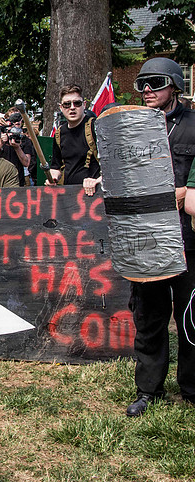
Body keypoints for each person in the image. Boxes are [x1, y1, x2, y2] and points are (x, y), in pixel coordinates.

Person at [130, 58, 195, 416]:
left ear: (174, 85)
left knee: (190, 314)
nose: (147, 90)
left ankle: (192, 387)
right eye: (142, 84)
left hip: (188, 238)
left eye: (155, 82)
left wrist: (185, 191)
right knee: (150, 315)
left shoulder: (194, 126)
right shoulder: (133, 127)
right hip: (146, 238)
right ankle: (148, 389)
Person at [48, 84, 102, 195]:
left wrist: (97, 180)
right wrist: (53, 177)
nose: (72, 107)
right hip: (70, 195)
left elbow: (113, 164)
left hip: (95, 195)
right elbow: (56, 167)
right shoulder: (59, 133)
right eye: (67, 104)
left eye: (77, 103)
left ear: (84, 105)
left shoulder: (96, 127)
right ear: (61, 107)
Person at [0, 112, 35, 186]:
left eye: (18, 122)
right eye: (12, 121)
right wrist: (1, 142)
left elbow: (26, 163)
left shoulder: (25, 140)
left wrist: (17, 147)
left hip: (18, 180)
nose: (15, 124)